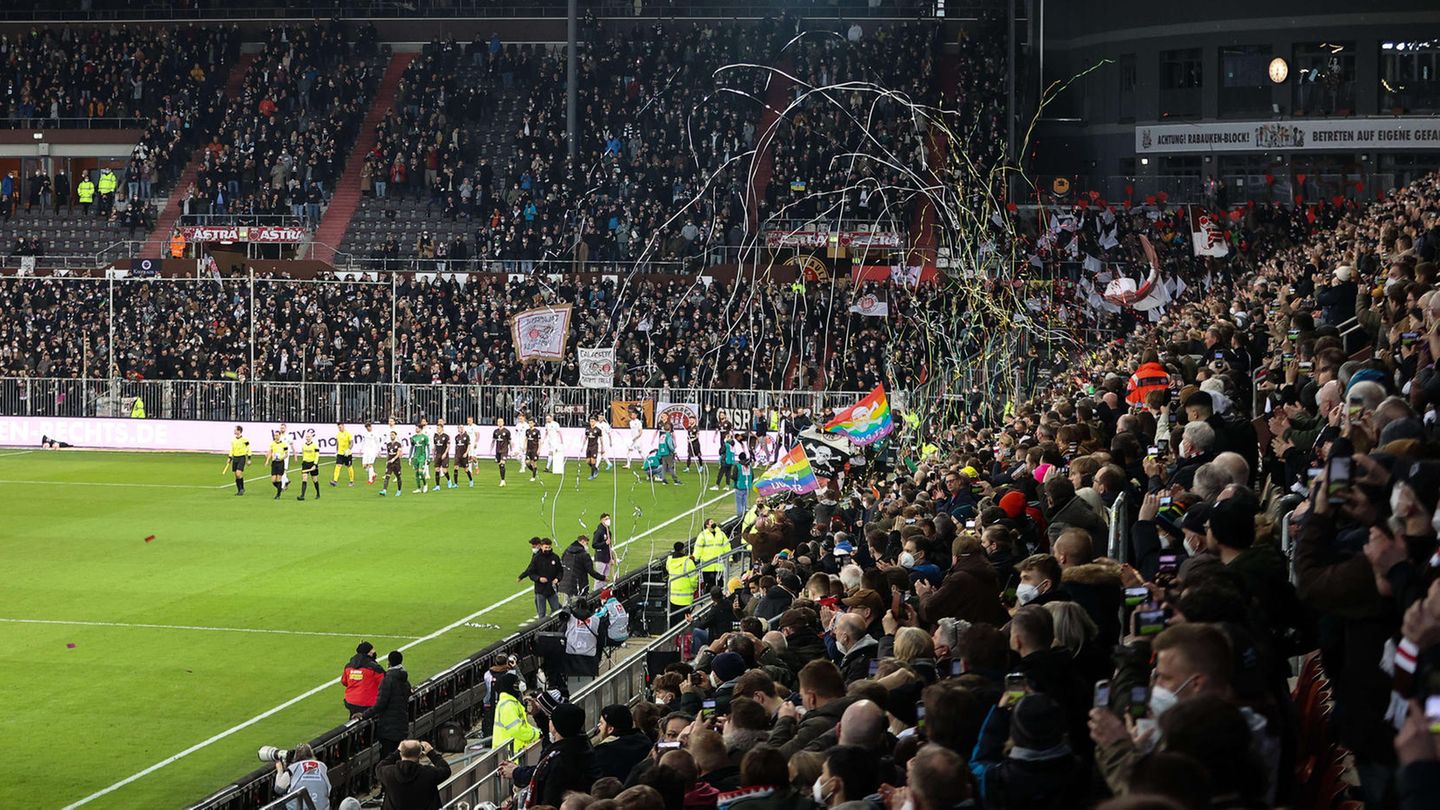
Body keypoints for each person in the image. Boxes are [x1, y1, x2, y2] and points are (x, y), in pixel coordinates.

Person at [522, 704, 598, 808]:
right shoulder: (582, 746)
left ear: (555, 726)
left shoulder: (559, 761)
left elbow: (550, 799)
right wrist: (538, 715)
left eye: (550, 719)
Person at [360, 651, 411, 754]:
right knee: (398, 756)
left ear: (389, 662)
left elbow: (380, 704)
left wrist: (363, 715)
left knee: (387, 758)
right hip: (402, 724)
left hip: (388, 728)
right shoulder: (404, 679)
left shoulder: (388, 680)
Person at [376, 739, 451, 810]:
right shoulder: (428, 773)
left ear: (401, 753)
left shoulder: (389, 773)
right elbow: (446, 770)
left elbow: (379, 767)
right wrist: (431, 753)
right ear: (420, 754)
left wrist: (397, 752)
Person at [594, 704, 653, 781]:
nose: (599, 727)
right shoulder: (645, 740)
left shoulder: (603, 752)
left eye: (601, 723)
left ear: (610, 729)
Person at [492, 671, 540, 755]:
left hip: (512, 751)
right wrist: (536, 734)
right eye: (516, 683)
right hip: (511, 753)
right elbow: (517, 730)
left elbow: (523, 725)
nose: (519, 686)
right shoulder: (508, 705)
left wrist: (537, 731)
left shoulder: (511, 702)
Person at [272, 743, 330, 810]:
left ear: (296, 756)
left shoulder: (294, 767)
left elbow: (278, 789)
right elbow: (328, 789)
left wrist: (280, 770)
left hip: (296, 808)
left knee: (276, 804)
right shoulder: (322, 766)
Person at [520, 537, 564, 617]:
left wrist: (558, 578)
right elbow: (531, 573)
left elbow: (560, 571)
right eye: (546, 547)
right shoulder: (536, 558)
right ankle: (542, 629)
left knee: (556, 611)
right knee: (541, 613)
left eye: (549, 547)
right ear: (541, 546)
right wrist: (539, 578)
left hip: (552, 590)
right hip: (540, 590)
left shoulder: (555, 557)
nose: (547, 549)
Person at [559, 534, 606, 606]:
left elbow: (562, 563)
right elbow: (591, 571)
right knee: (582, 604)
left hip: (568, 582)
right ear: (582, 541)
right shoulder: (584, 555)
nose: (587, 546)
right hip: (580, 583)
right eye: (586, 543)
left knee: (567, 604)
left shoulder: (567, 551)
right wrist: (603, 577)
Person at [341, 641, 385, 716]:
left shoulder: (349, 666)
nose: (374, 652)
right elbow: (385, 683)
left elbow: (344, 681)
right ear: (368, 653)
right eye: (372, 650)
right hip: (368, 703)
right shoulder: (375, 668)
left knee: (353, 721)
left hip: (351, 701)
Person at [666, 541, 700, 626]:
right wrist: (694, 588)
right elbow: (694, 579)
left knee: (673, 622)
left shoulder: (669, 561)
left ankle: (673, 638)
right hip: (686, 598)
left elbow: (668, 569)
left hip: (673, 597)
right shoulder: (688, 562)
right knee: (684, 623)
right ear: (683, 550)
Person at [694, 518, 730, 590]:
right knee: (709, 585)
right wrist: (695, 559)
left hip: (719, 565)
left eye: (713, 521)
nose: (713, 523)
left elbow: (727, 546)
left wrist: (730, 558)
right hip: (707, 566)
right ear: (707, 525)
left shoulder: (721, 534)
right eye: (711, 522)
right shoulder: (703, 535)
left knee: (720, 584)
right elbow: (698, 548)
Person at [224, 425, 250, 496]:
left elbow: (249, 448)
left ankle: (241, 488)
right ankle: (239, 489)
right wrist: (230, 457)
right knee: (236, 475)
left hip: (241, 457)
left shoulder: (245, 440)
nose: (234, 431)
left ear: (239, 431)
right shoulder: (233, 440)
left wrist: (249, 458)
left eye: (235, 430)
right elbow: (232, 449)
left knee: (238, 473)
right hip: (235, 458)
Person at [297, 430, 322, 501]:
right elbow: (303, 454)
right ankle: (302, 495)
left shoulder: (315, 445)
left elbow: (317, 455)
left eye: (309, 436)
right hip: (305, 463)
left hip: (312, 463)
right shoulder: (303, 445)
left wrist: (315, 464)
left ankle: (318, 493)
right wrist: (304, 461)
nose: (307, 438)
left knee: (315, 479)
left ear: (311, 437)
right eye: (307, 436)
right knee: (304, 478)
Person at [409, 419, 431, 494]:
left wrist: (428, 457)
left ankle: (425, 484)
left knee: (420, 471)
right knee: (416, 473)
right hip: (415, 457)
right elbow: (412, 448)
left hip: (422, 456)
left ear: (421, 429)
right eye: (416, 428)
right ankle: (418, 488)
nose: (416, 429)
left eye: (417, 428)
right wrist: (409, 457)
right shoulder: (413, 437)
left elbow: (428, 447)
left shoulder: (424, 437)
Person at [380, 431, 404, 497]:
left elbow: (398, 453)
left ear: (395, 436)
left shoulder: (398, 444)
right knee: (387, 476)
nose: (391, 436)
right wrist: (387, 460)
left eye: (393, 435)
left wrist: (394, 459)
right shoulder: (388, 444)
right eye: (390, 435)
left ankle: (399, 490)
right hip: (390, 463)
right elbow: (388, 453)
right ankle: (384, 490)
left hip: (396, 463)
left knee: (398, 476)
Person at [267, 430, 289, 500]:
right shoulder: (272, 444)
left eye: (277, 435)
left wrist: (281, 458)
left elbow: (286, 454)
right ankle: (280, 488)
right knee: (273, 480)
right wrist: (267, 460)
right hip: (274, 463)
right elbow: (270, 452)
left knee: (279, 479)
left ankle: (278, 495)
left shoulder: (284, 444)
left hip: (280, 463)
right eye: (275, 435)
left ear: (280, 436)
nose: (276, 436)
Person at [331, 422, 354, 488]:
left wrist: (348, 450)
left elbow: (351, 443)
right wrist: (336, 451)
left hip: (347, 454)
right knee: (338, 466)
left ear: (343, 426)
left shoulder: (348, 434)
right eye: (338, 427)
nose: (339, 428)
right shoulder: (338, 434)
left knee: (349, 466)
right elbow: (337, 443)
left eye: (340, 427)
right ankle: (335, 481)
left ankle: (351, 481)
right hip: (340, 453)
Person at [432, 418, 453, 491]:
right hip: (437, 455)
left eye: (439, 428)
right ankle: (437, 486)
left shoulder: (446, 436)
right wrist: (433, 455)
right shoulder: (435, 436)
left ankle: (449, 480)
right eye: (437, 428)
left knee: (444, 470)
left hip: (444, 454)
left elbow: (448, 446)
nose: (437, 429)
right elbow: (434, 446)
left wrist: (445, 454)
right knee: (437, 470)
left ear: (442, 428)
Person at [453, 417, 474, 487]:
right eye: (460, 428)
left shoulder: (466, 436)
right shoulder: (456, 437)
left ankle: (471, 480)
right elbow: (456, 445)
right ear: (458, 429)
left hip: (464, 455)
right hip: (457, 455)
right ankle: (456, 484)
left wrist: (466, 453)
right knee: (455, 468)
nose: (461, 429)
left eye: (462, 427)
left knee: (466, 469)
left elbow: (468, 445)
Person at [593, 513, 614, 579]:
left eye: (608, 519)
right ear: (602, 520)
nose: (608, 520)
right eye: (606, 519)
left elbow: (609, 547)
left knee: (606, 578)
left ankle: (604, 589)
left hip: (607, 558)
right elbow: (594, 544)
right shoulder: (599, 531)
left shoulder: (608, 531)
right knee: (600, 578)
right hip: (600, 559)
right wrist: (605, 543)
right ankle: (597, 589)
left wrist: (611, 558)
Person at [494, 417, 513, 487]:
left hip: (504, 450)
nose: (499, 423)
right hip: (497, 451)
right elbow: (493, 441)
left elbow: (510, 441)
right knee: (500, 465)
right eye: (498, 422)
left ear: (503, 422)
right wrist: (491, 450)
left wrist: (511, 451)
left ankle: (502, 480)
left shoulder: (507, 431)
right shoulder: (495, 431)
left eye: (501, 422)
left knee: (502, 464)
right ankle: (503, 480)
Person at [524, 416, 543, 482]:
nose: (530, 424)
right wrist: (525, 446)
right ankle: (534, 471)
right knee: (527, 462)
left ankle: (533, 477)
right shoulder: (527, 431)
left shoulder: (537, 431)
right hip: (528, 449)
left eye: (531, 423)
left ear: (534, 423)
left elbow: (540, 441)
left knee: (533, 463)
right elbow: (526, 439)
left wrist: (539, 449)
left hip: (534, 449)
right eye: (529, 423)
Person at [586, 416, 603, 480]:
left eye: (593, 421)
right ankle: (596, 469)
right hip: (588, 446)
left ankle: (592, 475)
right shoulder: (587, 429)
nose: (591, 423)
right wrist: (582, 445)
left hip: (594, 446)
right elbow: (585, 438)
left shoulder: (598, 430)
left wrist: (602, 448)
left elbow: (601, 439)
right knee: (588, 461)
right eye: (590, 421)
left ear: (595, 422)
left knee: (593, 461)